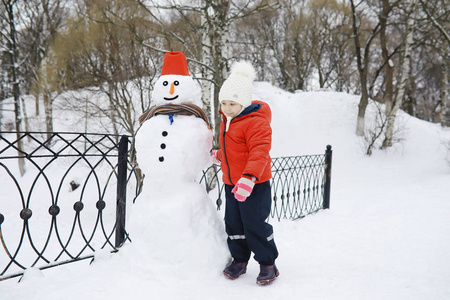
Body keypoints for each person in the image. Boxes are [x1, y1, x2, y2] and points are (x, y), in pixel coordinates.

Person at [212, 61, 279, 285]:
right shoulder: (228, 122)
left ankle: (268, 263)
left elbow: (259, 152)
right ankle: (240, 259)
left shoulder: (256, 123)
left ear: (244, 102)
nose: (227, 108)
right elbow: (235, 151)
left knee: (255, 224)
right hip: (232, 184)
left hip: (254, 184)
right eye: (223, 103)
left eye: (232, 103)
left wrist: (249, 178)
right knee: (234, 223)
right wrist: (219, 156)